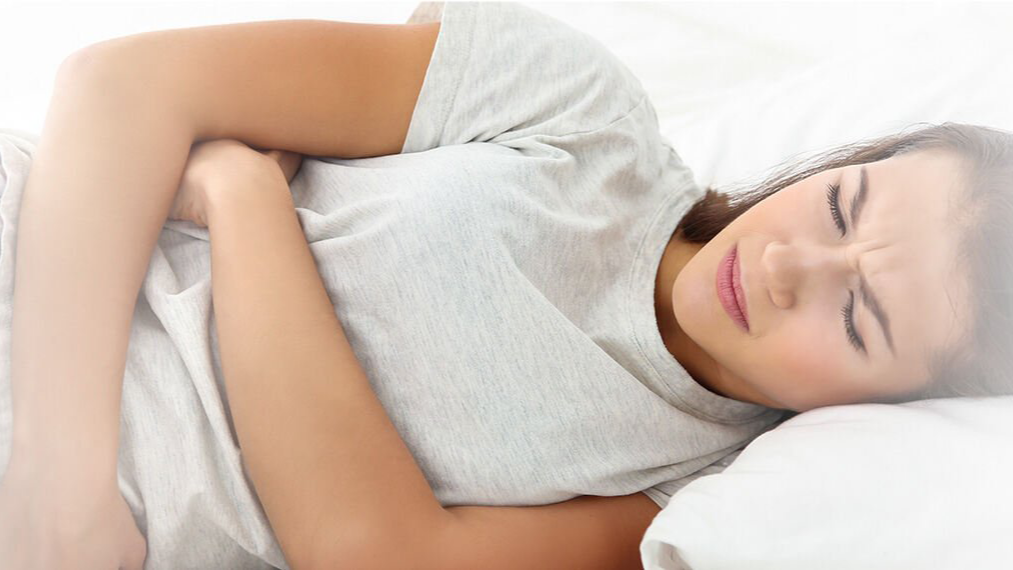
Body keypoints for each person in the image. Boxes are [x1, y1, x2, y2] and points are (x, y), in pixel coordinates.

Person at [0, 2, 1009, 569]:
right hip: (39, 270)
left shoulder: (670, 493)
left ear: (881, 409)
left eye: (858, 316)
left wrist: (240, 198)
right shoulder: (581, 113)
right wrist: (66, 484)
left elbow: (372, 557)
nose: (789, 266)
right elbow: (118, 86)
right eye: (840, 206)